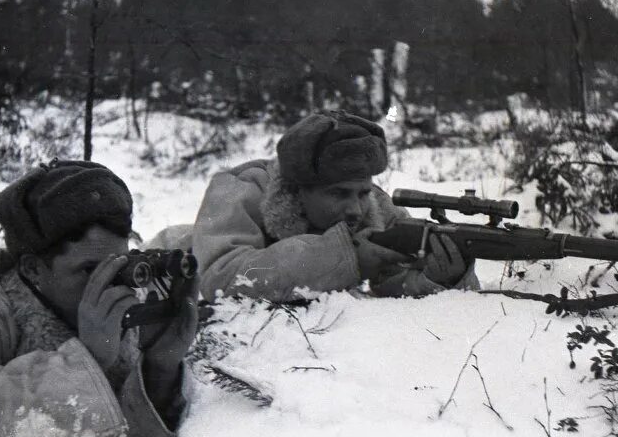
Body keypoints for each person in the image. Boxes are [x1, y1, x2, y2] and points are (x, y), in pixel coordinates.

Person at [0, 160, 196, 437]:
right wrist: (83, 361)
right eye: (89, 270)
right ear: (33, 269)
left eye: (119, 266)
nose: (109, 285)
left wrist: (160, 367)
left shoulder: (114, 305)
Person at [192, 110, 480, 302]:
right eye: (339, 194)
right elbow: (220, 278)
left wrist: (437, 279)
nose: (356, 209)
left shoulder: (374, 205)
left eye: (362, 193)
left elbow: (395, 280)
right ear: (296, 190)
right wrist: (347, 259)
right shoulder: (241, 189)